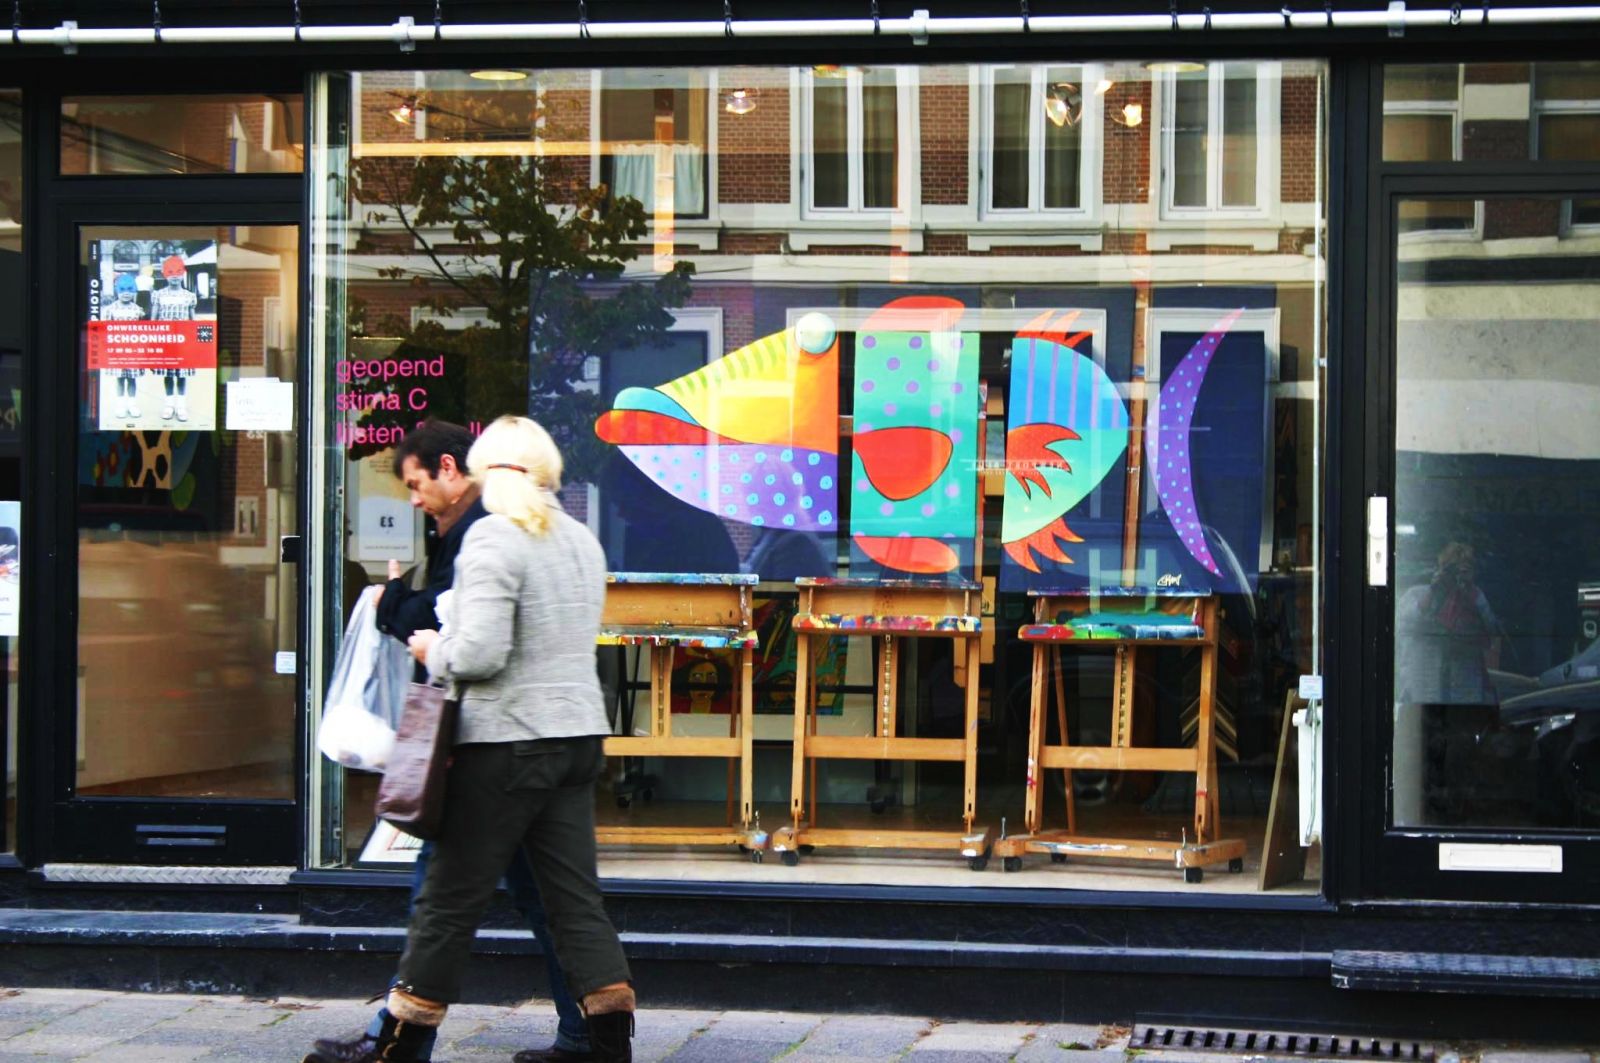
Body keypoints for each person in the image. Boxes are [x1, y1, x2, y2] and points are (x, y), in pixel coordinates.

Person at [306, 415, 634, 1063]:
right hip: (576, 739)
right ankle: (603, 1044)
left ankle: (397, 1045)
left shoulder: (491, 536)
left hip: (503, 746)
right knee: (574, 901)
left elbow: (479, 654)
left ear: (482, 470)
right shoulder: (580, 540)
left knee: (447, 899)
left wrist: (432, 646)